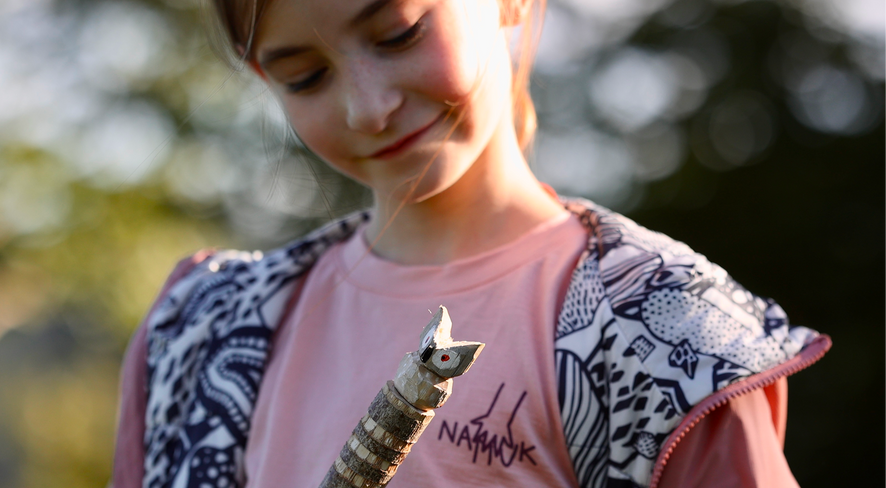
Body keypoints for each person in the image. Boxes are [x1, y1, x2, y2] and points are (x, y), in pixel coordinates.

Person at [112, 0, 831, 487]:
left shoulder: (668, 337)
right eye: (307, 76)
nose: (370, 107)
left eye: (398, 33)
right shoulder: (198, 333)